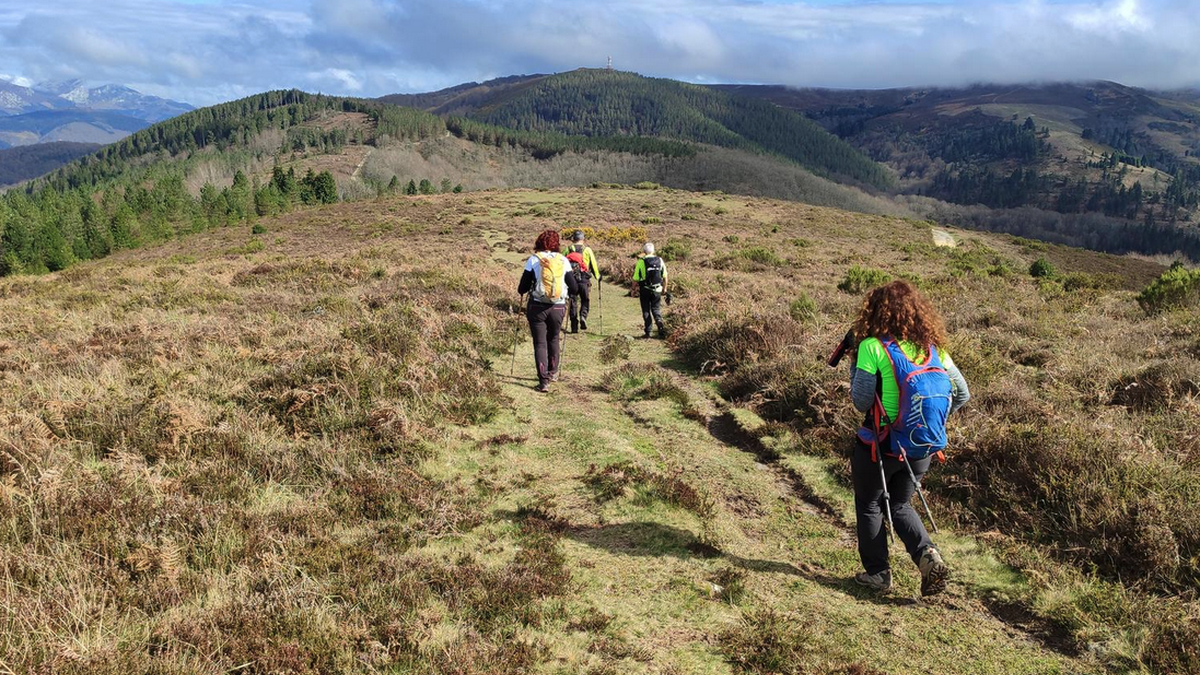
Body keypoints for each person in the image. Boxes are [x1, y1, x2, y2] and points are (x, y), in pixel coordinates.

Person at [846, 280, 970, 596]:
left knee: (870, 503)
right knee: (899, 504)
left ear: (875, 312)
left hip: (880, 444)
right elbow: (962, 394)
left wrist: (853, 365)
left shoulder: (872, 347)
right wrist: (931, 425)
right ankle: (928, 557)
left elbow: (860, 400)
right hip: (921, 446)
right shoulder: (934, 349)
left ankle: (878, 574)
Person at [517, 229, 579, 392]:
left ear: (539, 243)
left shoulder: (533, 260)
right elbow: (573, 287)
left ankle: (543, 381)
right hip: (558, 306)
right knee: (554, 338)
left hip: (537, 306)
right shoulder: (563, 260)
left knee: (540, 343)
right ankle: (552, 373)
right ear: (556, 244)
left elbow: (522, 288)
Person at [563, 230, 601, 333]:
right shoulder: (587, 250)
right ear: (583, 239)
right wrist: (598, 276)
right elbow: (593, 265)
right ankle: (583, 316)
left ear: (573, 239)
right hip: (584, 279)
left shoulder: (568, 249)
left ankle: (574, 326)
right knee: (585, 299)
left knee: (572, 301)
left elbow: (561, 263)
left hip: (571, 279)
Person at [631, 242, 667, 339]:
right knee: (656, 308)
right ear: (653, 250)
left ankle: (648, 332)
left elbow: (635, 278)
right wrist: (665, 288)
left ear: (644, 251)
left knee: (646, 309)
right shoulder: (660, 260)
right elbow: (665, 276)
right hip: (657, 289)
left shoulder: (641, 261)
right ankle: (659, 323)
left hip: (645, 289)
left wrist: (633, 289)